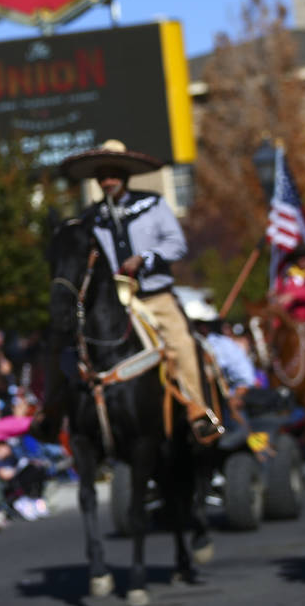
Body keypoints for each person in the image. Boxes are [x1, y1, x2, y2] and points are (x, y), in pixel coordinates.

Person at [60, 139, 222, 443]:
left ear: (124, 176)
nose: (107, 181)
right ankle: (93, 423)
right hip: (114, 303)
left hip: (154, 296)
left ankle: (200, 413)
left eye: (113, 175)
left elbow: (177, 243)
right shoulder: (91, 217)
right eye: (102, 176)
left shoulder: (153, 203)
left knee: (183, 343)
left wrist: (145, 259)